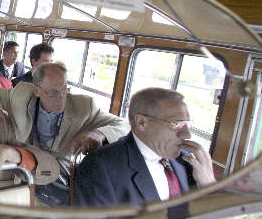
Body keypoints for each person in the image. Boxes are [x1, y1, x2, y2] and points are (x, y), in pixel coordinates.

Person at [73, 87, 216, 207]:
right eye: (177, 125)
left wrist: (208, 185)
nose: (187, 134)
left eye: (188, 125)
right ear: (142, 122)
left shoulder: (186, 162)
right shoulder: (100, 167)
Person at [0, 62, 129, 161]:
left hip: (60, 176)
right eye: (53, 92)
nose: (61, 97)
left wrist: (100, 134)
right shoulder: (22, 96)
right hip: (24, 165)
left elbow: (125, 125)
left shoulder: (84, 107)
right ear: (37, 91)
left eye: (64, 89)